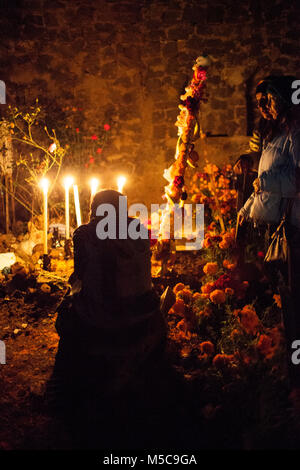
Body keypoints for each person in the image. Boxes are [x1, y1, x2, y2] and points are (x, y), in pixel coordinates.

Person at [50, 189, 166, 399]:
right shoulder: (139, 229)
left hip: (105, 317)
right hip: (144, 311)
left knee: (66, 313)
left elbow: (80, 275)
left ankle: (62, 383)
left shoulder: (85, 234)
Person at [238, 75, 300, 390]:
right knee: (283, 302)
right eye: (259, 100)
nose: (263, 106)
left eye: (269, 98)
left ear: (286, 98)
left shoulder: (296, 133)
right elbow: (264, 186)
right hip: (277, 227)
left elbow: (295, 180)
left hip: (295, 231)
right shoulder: (276, 135)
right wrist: (246, 211)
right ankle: (286, 366)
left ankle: (295, 374)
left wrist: (265, 183)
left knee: (293, 301)